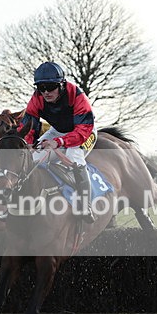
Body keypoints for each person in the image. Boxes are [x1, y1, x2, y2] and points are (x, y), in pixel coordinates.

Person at [15, 61, 97, 223]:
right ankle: (17, 203)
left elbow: (82, 131)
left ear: (61, 85)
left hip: (85, 131)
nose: (45, 92)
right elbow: (29, 125)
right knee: (31, 158)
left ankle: (85, 205)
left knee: (74, 157)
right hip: (57, 130)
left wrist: (58, 142)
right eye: (41, 88)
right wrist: (28, 143)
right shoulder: (37, 98)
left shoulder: (77, 95)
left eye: (50, 87)